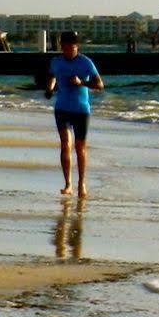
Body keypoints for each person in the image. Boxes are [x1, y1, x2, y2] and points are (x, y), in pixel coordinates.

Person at [45, 29, 103, 197]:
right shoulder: (56, 62)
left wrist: (81, 82)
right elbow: (52, 76)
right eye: (65, 46)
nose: (68, 50)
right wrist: (49, 89)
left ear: (77, 47)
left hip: (81, 109)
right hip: (62, 107)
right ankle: (68, 184)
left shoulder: (85, 63)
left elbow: (100, 85)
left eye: (72, 47)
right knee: (65, 144)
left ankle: (81, 183)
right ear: (62, 46)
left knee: (79, 148)